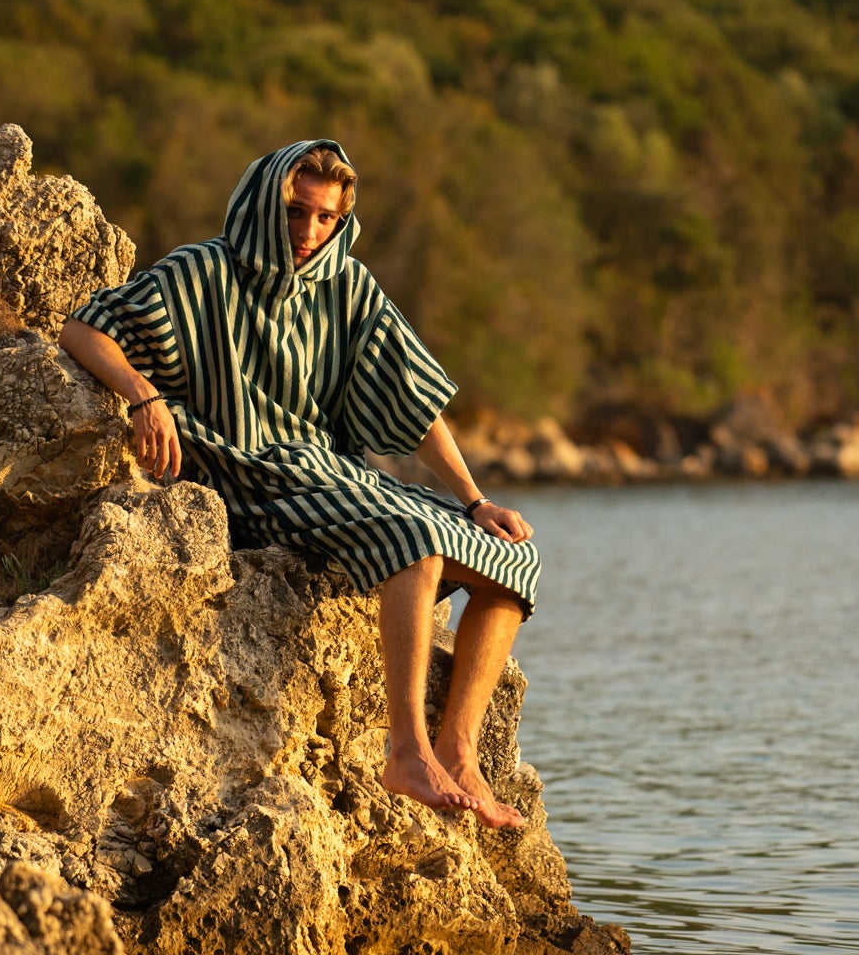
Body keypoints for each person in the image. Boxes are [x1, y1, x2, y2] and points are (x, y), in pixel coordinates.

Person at [59, 139, 539, 830]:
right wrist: (142, 394)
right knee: (413, 538)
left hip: (329, 470)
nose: (309, 233)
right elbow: (84, 328)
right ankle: (405, 753)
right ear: (262, 203)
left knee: (515, 559)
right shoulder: (201, 272)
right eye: (295, 213)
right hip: (245, 471)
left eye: (326, 219)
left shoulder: (347, 285)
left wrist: (474, 499)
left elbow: (417, 401)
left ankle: (458, 750)